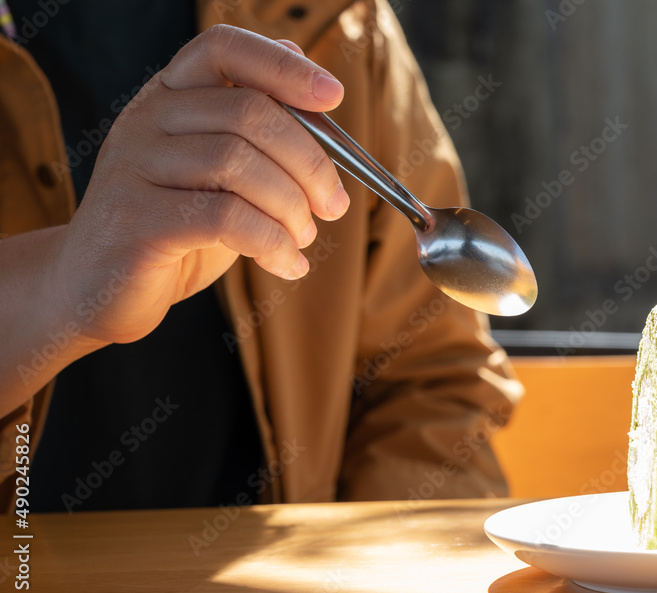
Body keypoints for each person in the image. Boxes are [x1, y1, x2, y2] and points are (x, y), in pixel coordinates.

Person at [0, 0, 520, 512]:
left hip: (279, 589)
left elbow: (432, 385)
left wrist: (349, 584)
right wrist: (55, 289)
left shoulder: (342, 22)